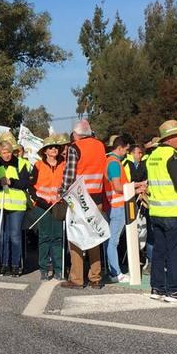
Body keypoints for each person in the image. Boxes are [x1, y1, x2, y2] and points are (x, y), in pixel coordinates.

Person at [143, 120, 177, 301]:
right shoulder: (173, 157)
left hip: (157, 211)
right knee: (175, 252)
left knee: (159, 251)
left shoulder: (153, 156)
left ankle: (157, 288)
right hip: (174, 213)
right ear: (169, 138)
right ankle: (174, 290)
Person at [59, 119, 107, 289]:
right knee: (94, 237)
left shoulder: (75, 147)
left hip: (79, 198)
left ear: (76, 134)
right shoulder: (100, 146)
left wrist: (61, 191)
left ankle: (77, 278)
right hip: (97, 199)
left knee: (76, 237)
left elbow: (69, 174)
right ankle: (95, 277)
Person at [0, 133, 30, 276]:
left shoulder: (21, 163)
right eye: (4, 153)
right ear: (0, 153)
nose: (7, 155)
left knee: (14, 235)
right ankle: (4, 264)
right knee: (2, 235)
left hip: (16, 206)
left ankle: (15, 265)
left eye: (9, 152)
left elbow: (25, 183)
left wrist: (11, 182)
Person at [31, 135, 67, 281]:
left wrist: (62, 197)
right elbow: (31, 188)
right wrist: (41, 201)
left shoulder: (64, 164)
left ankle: (59, 269)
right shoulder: (38, 165)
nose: (54, 149)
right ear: (45, 151)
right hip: (42, 206)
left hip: (58, 205)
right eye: (51, 147)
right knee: (44, 237)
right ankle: (44, 269)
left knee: (58, 237)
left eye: (56, 147)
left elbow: (67, 183)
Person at [104, 134, 131, 283]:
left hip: (111, 205)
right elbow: (117, 186)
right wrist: (134, 188)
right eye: (126, 150)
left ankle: (113, 271)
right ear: (120, 148)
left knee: (109, 241)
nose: (127, 153)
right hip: (118, 206)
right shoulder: (114, 163)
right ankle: (116, 273)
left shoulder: (108, 161)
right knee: (113, 241)